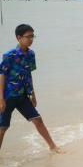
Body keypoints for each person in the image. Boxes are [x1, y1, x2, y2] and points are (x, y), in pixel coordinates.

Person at [0, 24, 60, 153]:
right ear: (19, 37)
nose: (31, 39)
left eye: (33, 36)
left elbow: (28, 74)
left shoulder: (31, 54)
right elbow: (2, 76)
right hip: (8, 97)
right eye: (28, 37)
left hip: (23, 96)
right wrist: (1, 99)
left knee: (38, 120)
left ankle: (53, 147)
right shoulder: (9, 55)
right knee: (2, 128)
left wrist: (33, 94)